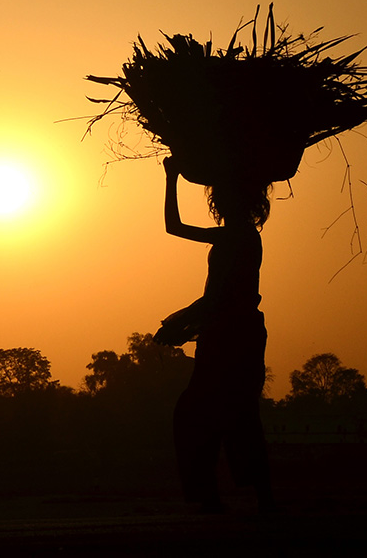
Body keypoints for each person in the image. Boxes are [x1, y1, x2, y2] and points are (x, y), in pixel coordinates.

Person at [154, 156, 273, 513]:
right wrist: (171, 178)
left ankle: (245, 498)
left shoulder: (240, 238)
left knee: (220, 414)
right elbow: (174, 227)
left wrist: (180, 323)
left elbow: (219, 296)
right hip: (230, 333)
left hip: (231, 336)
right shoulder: (237, 235)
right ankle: (242, 498)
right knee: (227, 414)